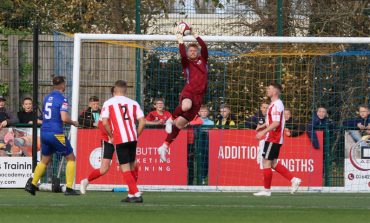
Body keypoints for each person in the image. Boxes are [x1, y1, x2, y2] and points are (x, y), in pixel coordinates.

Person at [157, 26, 208, 162]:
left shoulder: (203, 61)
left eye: (194, 50)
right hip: (188, 92)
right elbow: (182, 54)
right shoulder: (186, 63)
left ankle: (164, 146)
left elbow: (204, 46)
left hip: (199, 97)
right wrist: (180, 41)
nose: (192, 52)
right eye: (190, 50)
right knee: (185, 106)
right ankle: (169, 119)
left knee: (179, 125)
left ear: (197, 52)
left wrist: (196, 35)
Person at [25, 76, 80, 196]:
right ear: (62, 85)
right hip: (56, 133)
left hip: (44, 132)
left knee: (45, 159)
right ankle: (70, 188)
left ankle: (33, 184)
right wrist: (74, 122)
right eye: (64, 84)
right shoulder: (62, 99)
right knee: (71, 158)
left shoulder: (46, 98)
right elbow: (64, 118)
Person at [100, 80, 146, 203]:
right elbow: (142, 121)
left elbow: (104, 122)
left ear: (114, 91)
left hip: (120, 139)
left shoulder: (109, 103)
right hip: (132, 138)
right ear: (125, 91)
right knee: (131, 166)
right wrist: (136, 134)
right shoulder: (133, 103)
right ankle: (131, 195)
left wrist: (111, 135)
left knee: (124, 168)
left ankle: (136, 193)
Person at [254, 83, 301, 197]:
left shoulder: (277, 105)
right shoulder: (274, 104)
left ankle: (266, 190)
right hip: (274, 137)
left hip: (273, 137)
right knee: (273, 163)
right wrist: (263, 125)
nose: (267, 90)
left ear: (275, 91)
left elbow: (276, 123)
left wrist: (263, 132)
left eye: (269, 88)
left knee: (266, 162)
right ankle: (294, 179)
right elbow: (273, 120)